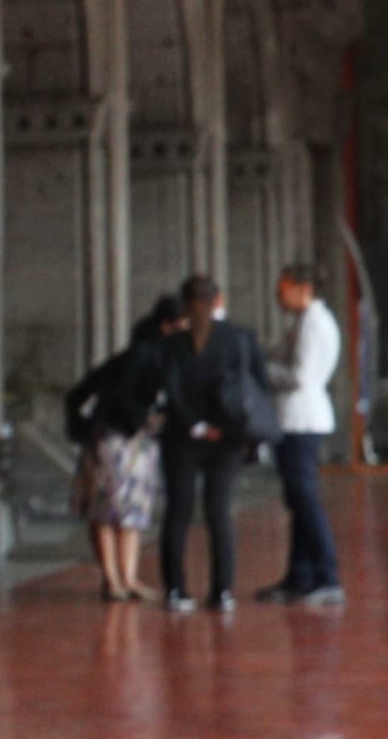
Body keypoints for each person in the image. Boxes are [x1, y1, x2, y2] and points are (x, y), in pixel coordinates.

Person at [156, 272, 274, 617]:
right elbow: (258, 388)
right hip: (228, 438)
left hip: (182, 436)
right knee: (219, 512)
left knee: (178, 512)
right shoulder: (240, 338)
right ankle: (222, 590)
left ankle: (176, 589)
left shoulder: (173, 345)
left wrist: (195, 424)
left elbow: (170, 391)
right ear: (217, 301)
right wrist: (223, 426)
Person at [63, 298, 178, 603]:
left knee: (131, 512)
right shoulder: (142, 357)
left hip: (136, 444)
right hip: (116, 440)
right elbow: (99, 395)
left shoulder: (148, 355)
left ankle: (127, 577)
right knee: (106, 509)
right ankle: (112, 579)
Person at [259, 262, 346, 606]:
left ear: (302, 288)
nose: (278, 297)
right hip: (293, 419)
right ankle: (300, 575)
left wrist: (259, 369)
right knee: (297, 501)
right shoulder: (304, 321)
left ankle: (327, 574)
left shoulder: (314, 323)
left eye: (282, 291)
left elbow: (299, 376)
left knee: (306, 501)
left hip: (302, 419)